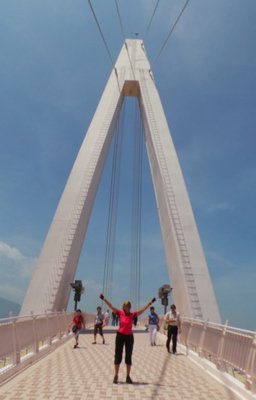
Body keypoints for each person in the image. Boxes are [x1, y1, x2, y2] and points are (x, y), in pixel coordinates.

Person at [100, 293, 156, 384]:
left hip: (129, 337)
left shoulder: (133, 314)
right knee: (118, 355)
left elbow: (143, 310)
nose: (126, 307)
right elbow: (111, 306)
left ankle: (128, 376)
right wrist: (104, 299)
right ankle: (116, 375)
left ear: (129, 307)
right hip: (120, 336)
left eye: (127, 305)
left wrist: (150, 303)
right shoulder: (120, 313)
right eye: (125, 305)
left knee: (128, 356)